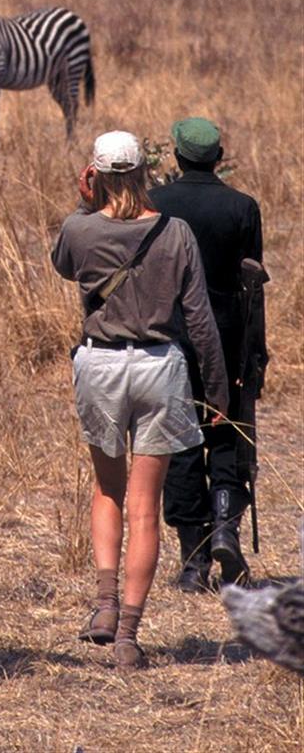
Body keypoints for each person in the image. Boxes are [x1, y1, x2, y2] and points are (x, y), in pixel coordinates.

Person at [52, 130, 228, 671]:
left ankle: (104, 608)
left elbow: (63, 264)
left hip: (100, 363)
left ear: (97, 173)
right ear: (145, 172)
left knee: (108, 491)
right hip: (159, 366)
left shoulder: (80, 229)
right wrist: (217, 389)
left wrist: (86, 201)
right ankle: (129, 634)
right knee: (145, 508)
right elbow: (199, 318)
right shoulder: (174, 233)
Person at [151, 117, 267, 590]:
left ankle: (193, 560)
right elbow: (252, 283)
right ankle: (225, 530)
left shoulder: (156, 204)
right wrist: (255, 352)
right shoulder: (243, 207)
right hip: (230, 338)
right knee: (228, 434)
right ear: (218, 159)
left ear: (176, 157)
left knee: (179, 444)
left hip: (171, 337)